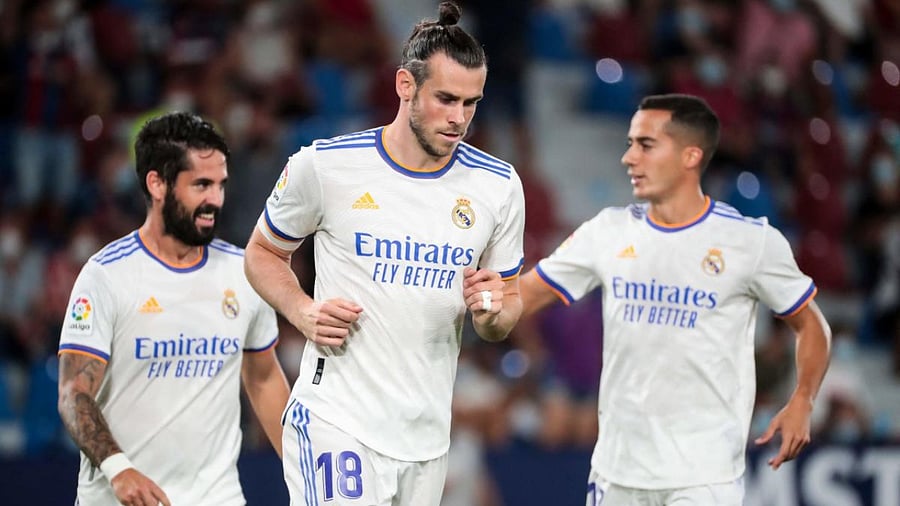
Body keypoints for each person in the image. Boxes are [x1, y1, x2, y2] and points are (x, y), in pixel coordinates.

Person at [243, 2, 526, 505]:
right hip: (336, 419)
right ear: (405, 85)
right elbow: (262, 252)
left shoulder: (498, 186)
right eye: (446, 99)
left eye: (471, 103)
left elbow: (506, 307)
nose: (459, 118)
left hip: (426, 438)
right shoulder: (326, 167)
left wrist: (492, 314)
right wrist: (302, 310)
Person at [518, 94, 832, 505]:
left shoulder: (750, 242)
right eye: (629, 144)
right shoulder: (607, 231)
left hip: (703, 478)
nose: (629, 158)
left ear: (690, 156)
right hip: (617, 474)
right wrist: (474, 294)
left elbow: (812, 325)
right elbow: (521, 296)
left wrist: (803, 398)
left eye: (645, 145)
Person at [57, 111, 290, 506]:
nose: (215, 200)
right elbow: (74, 391)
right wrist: (118, 468)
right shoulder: (106, 276)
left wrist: (306, 472)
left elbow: (264, 379)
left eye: (220, 185)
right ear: (157, 184)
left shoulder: (243, 272)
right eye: (201, 185)